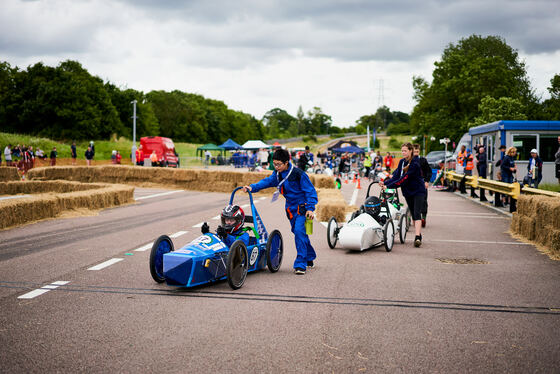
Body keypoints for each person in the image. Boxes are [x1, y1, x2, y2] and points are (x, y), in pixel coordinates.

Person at [243, 148, 318, 275]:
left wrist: (310, 208)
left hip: (302, 208)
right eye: (275, 164)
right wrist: (252, 187)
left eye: (279, 164)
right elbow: (267, 182)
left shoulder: (298, 174)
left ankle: (300, 264)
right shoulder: (277, 174)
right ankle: (309, 256)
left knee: (300, 232)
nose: (276, 167)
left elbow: (311, 192)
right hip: (290, 208)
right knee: (298, 232)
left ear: (286, 162)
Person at [380, 143, 426, 247]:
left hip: (418, 191)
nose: (403, 153)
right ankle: (419, 234)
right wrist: (385, 183)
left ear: (411, 151)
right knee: (414, 215)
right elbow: (396, 177)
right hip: (407, 192)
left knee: (417, 213)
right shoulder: (401, 162)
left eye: (405, 151)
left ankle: (417, 237)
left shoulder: (415, 163)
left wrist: (389, 187)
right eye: (402, 151)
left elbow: (404, 179)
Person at [413, 144, 431, 227]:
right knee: (412, 201)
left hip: (422, 183)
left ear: (419, 151)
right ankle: (414, 217)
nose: (416, 153)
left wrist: (426, 181)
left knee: (423, 201)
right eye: (414, 152)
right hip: (412, 184)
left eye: (417, 151)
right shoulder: (409, 160)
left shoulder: (423, 160)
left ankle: (423, 217)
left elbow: (429, 171)